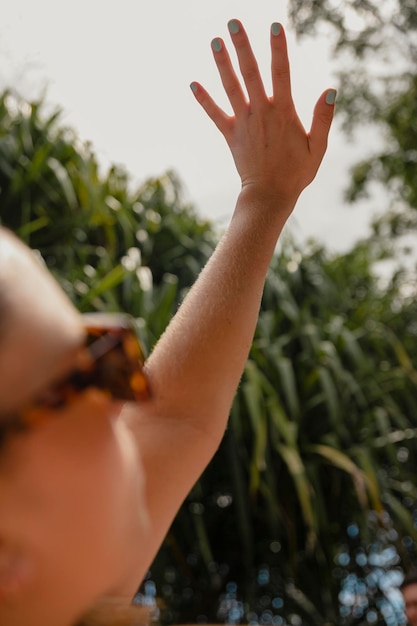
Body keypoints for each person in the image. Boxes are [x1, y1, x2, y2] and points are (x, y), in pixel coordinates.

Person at [0, 18, 336, 626]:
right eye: (90, 377)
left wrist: (265, 198)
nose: (129, 398)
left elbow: (174, 415)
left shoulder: (45, 586)